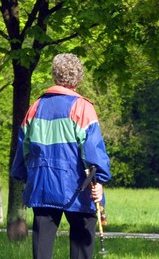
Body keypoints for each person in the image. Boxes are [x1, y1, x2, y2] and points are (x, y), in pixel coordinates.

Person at [11, 53, 112, 259]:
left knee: (42, 247)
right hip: (77, 186)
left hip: (42, 185)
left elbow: (24, 146)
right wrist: (100, 178)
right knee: (81, 241)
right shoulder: (83, 107)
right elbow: (92, 149)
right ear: (78, 78)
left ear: (55, 75)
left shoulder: (35, 107)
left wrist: (20, 173)